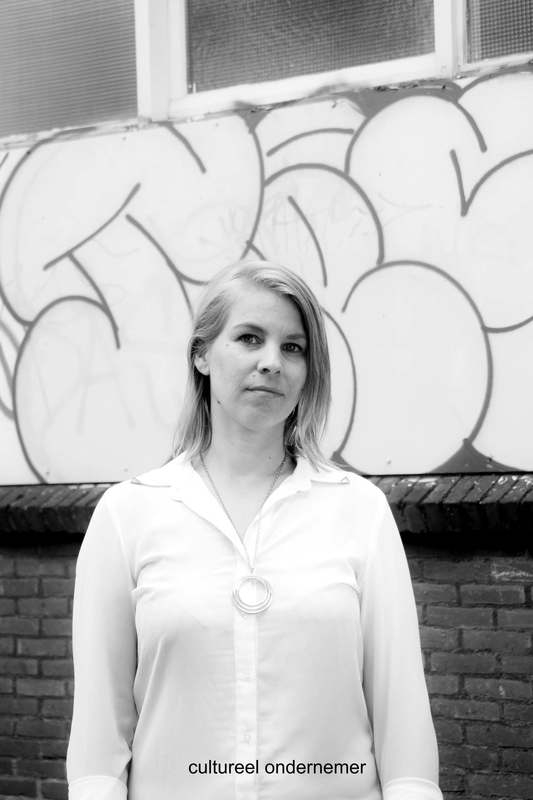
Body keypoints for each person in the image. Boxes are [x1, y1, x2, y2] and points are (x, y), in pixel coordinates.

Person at [66, 260, 443, 800]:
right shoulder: (127, 515)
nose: (272, 361)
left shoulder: (360, 511)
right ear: (201, 355)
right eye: (249, 338)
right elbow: (99, 741)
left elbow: (401, 717)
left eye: (293, 347)